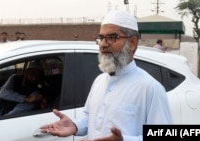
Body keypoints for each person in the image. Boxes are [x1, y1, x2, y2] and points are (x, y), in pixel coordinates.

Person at [39, 10, 173, 141]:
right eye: (101, 38)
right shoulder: (99, 81)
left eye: (111, 37)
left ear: (132, 43)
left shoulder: (151, 88)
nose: (103, 44)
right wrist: (75, 125)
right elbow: (91, 118)